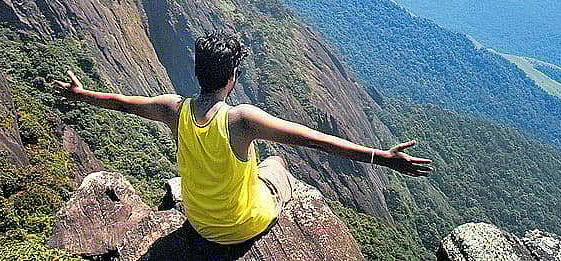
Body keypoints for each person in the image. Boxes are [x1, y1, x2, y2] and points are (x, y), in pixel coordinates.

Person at [54, 31, 433, 246]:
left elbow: (123, 104)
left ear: (199, 71)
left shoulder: (174, 109)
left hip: (199, 223)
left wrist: (81, 94)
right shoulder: (241, 120)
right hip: (242, 226)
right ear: (232, 76)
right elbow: (314, 141)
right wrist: (382, 157)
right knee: (278, 164)